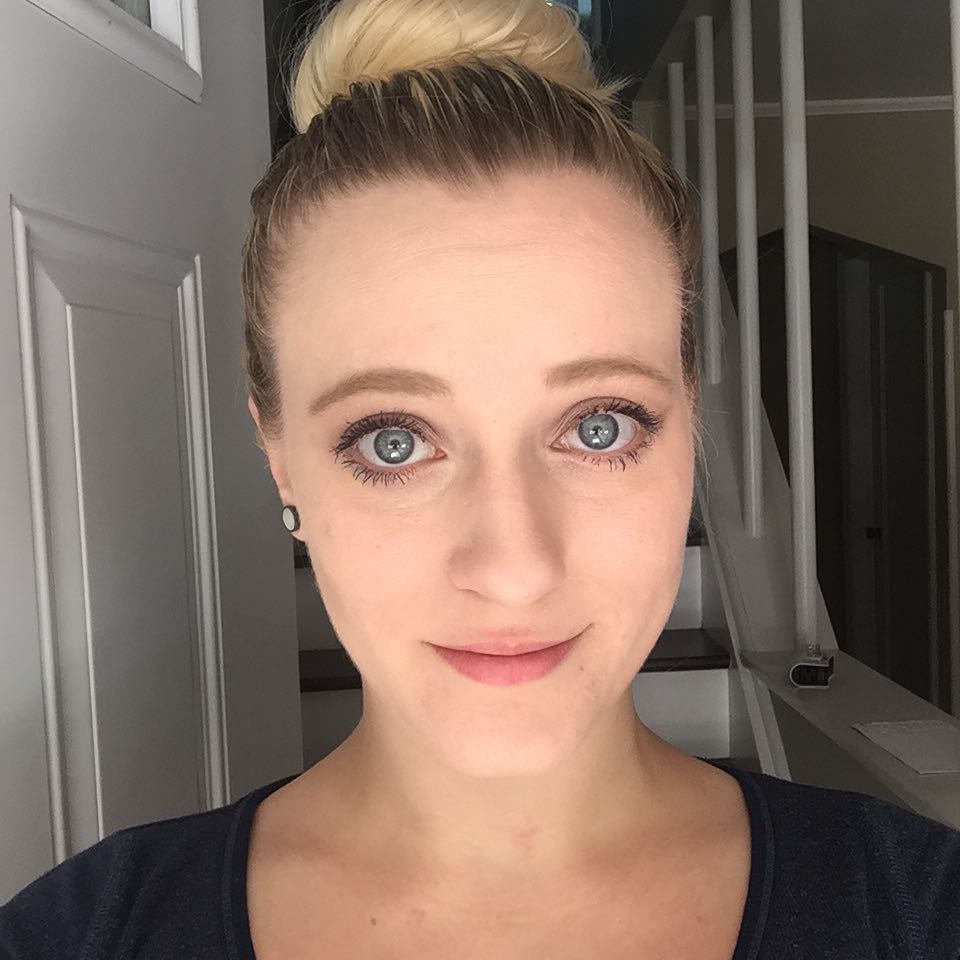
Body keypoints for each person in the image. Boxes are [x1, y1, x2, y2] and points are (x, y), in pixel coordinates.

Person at [2, 0, 960, 957]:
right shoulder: (79, 936)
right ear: (278, 454)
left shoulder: (919, 913)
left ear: (690, 419)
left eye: (597, 427)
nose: (514, 569)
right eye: (392, 442)